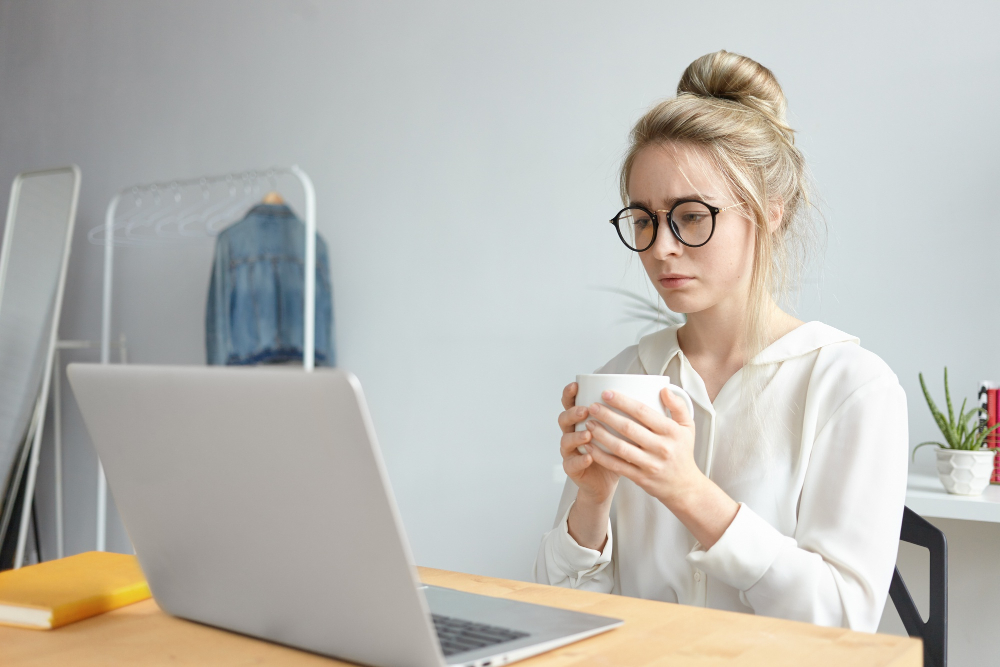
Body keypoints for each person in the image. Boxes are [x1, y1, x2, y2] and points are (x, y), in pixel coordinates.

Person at [533, 50, 908, 633]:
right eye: (643, 219)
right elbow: (560, 613)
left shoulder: (850, 388)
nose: (661, 247)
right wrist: (592, 501)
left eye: (691, 215)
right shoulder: (627, 375)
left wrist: (687, 491)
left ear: (769, 214)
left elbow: (842, 621)